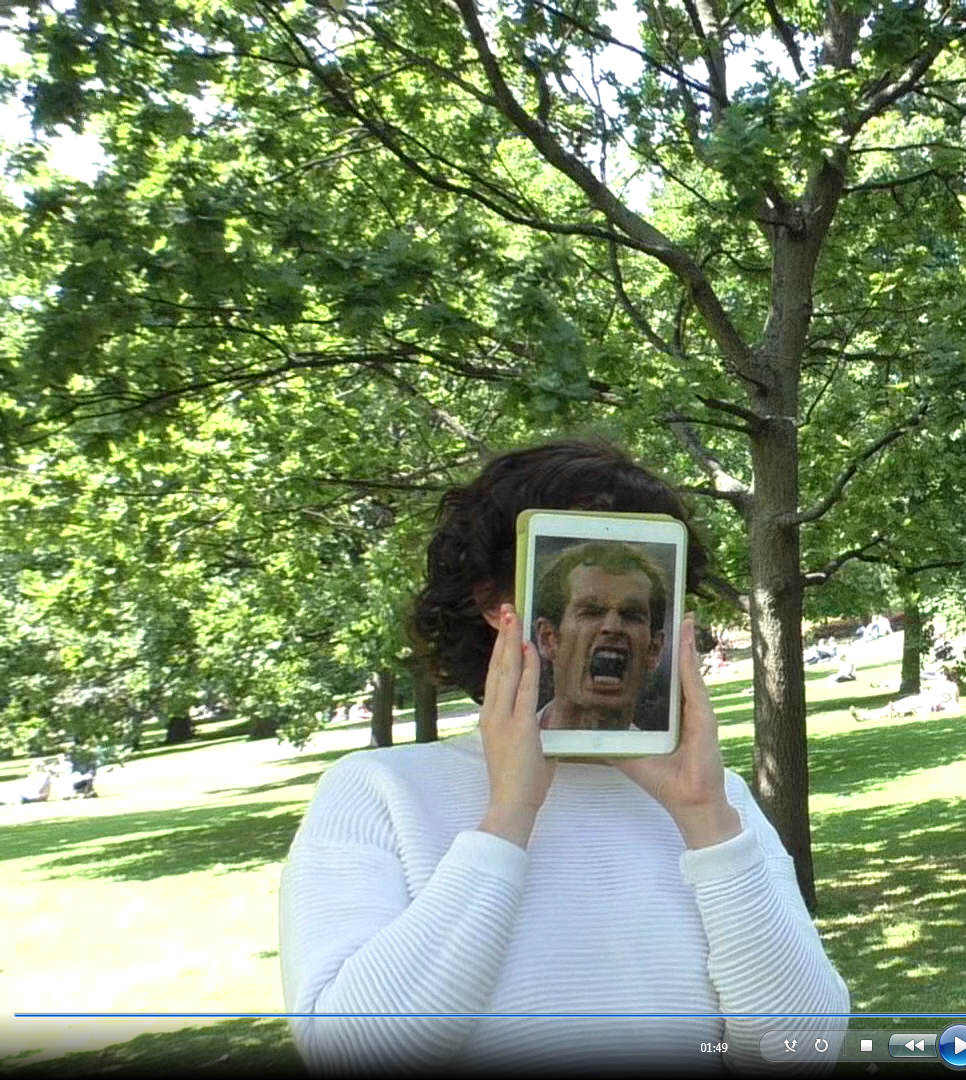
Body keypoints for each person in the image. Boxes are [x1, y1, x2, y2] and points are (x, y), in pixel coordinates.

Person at [278, 439, 848, 1074]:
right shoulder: (378, 792)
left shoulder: (719, 802)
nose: (613, 628)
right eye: (589, 607)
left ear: (657, 641)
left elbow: (800, 1052)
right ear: (509, 614)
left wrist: (707, 821)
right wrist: (508, 817)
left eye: (634, 613)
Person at [531, 540, 669, 731]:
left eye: (631, 615)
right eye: (592, 612)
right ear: (548, 639)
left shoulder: (676, 751)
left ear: (653, 650)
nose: (613, 627)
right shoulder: (492, 749)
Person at [850, 666, 961, 722]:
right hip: (920, 700)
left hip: (925, 704)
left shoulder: (952, 686)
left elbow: (955, 705)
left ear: (946, 676)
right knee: (894, 706)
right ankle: (864, 714)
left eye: (941, 674)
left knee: (895, 711)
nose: (939, 676)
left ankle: (865, 716)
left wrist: (941, 708)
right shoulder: (939, 684)